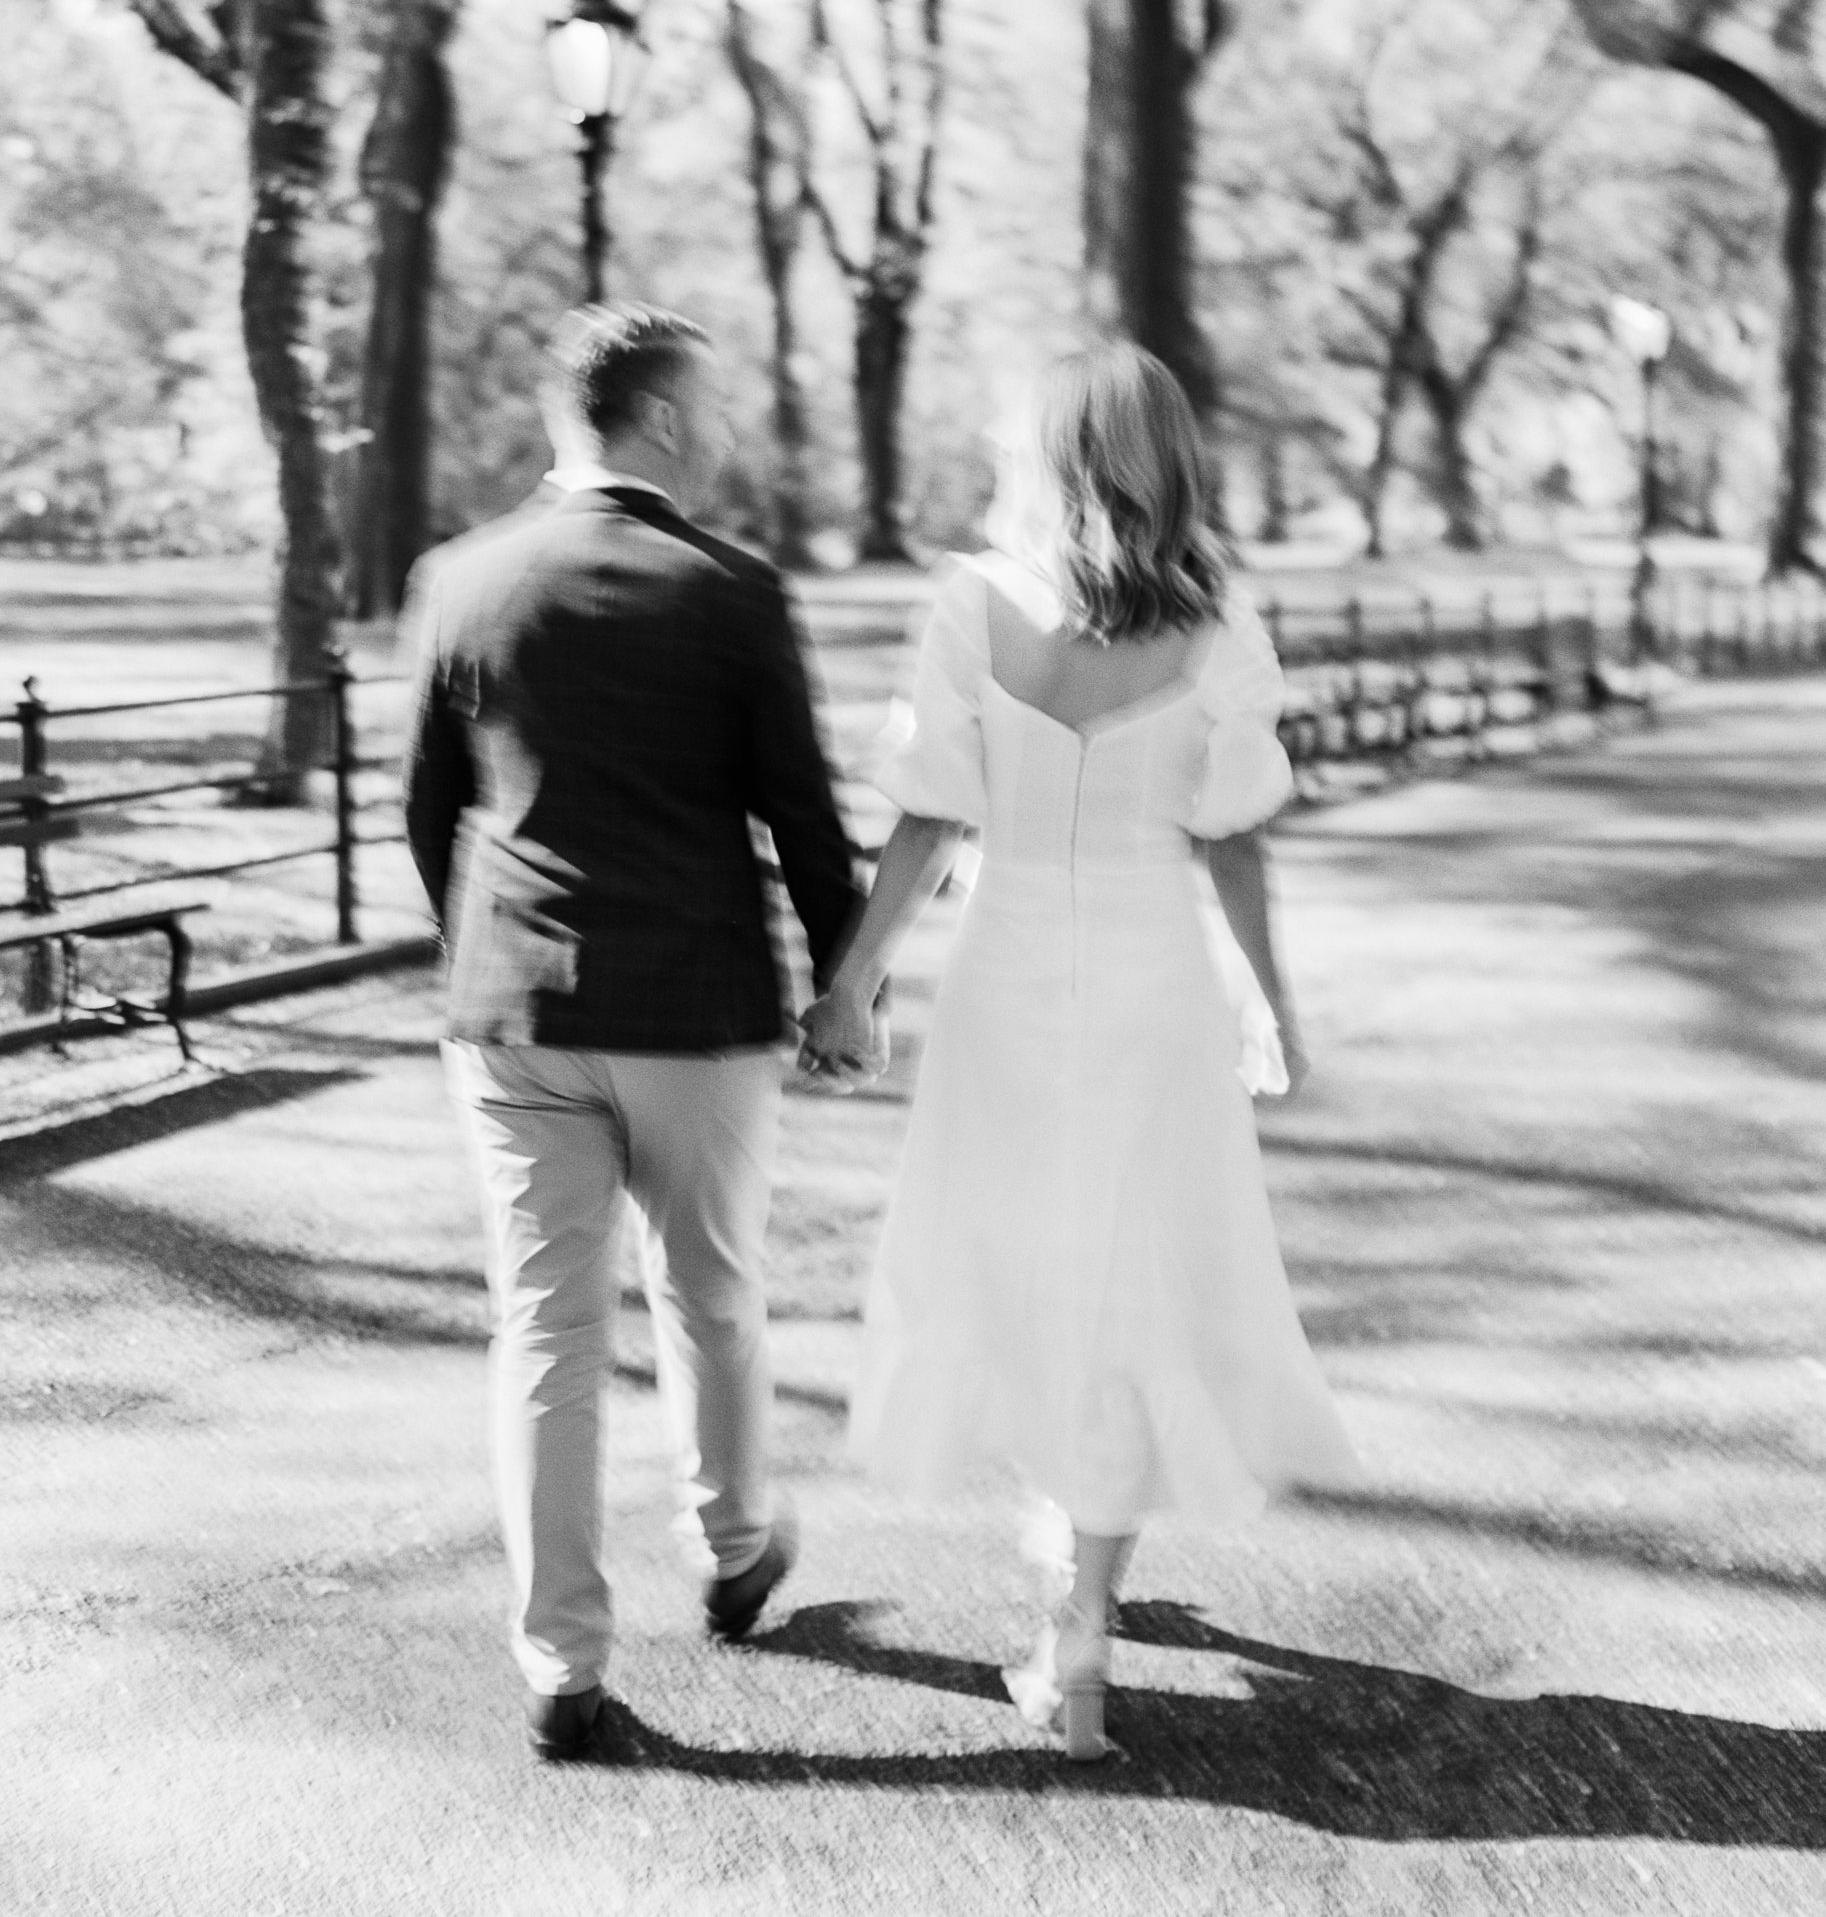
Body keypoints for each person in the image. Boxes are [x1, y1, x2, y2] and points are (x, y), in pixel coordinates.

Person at [799, 344, 1357, 1760]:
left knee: (1024, 1268)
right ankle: (1082, 1626)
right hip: (1151, 983)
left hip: (1003, 982)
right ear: (1169, 462)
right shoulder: (1220, 620)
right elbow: (1233, 835)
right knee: (1129, 1281)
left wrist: (853, 983)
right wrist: (1270, 1004)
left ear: (1039, 458)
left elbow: (926, 819)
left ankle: (1065, 1583)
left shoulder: (972, 605)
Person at [404, 302, 864, 1763]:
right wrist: (843, 982)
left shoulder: (460, 575)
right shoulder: (729, 588)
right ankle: (731, 1550)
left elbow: (432, 810)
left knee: (544, 1332)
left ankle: (560, 1666)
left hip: (514, 1009)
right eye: (713, 407)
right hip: (692, 1007)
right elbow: (799, 808)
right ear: (659, 417)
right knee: (708, 1291)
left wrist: (487, 961)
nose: (725, 434)